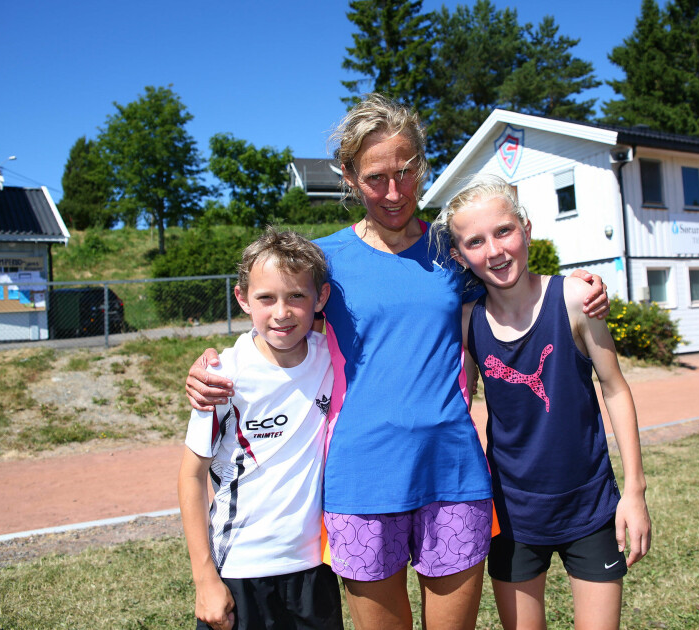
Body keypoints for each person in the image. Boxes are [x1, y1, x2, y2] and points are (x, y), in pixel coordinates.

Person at [184, 93, 611, 630]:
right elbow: (276, 326)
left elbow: (513, 282)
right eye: (375, 178)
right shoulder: (325, 262)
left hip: (453, 476)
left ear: (422, 165)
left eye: (406, 172)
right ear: (347, 176)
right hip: (360, 484)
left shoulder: (450, 250)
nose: (394, 192)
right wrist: (209, 366)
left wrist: (583, 287)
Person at [433, 175, 652, 630]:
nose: (494, 250)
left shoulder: (575, 299)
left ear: (527, 230)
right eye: (475, 241)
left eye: (504, 231)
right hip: (511, 514)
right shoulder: (467, 322)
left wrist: (634, 491)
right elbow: (456, 408)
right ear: (459, 256)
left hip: (591, 506)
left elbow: (614, 388)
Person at [177, 226, 343, 630]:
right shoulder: (222, 375)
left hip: (313, 568)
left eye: (296, 297)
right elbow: (191, 476)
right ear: (243, 299)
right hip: (239, 567)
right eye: (265, 298)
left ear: (320, 298)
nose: (281, 312)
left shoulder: (331, 359)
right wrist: (204, 579)